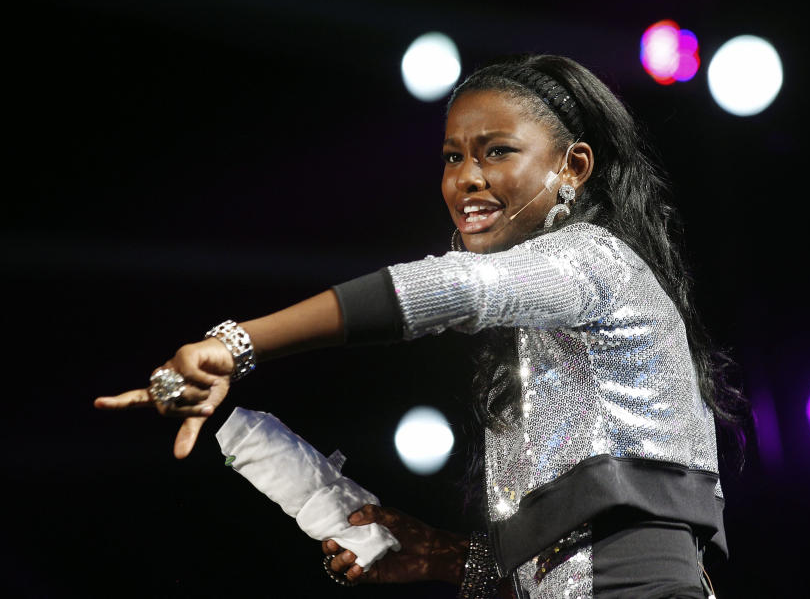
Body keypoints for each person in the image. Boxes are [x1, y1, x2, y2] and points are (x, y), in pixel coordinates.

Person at [95, 54, 745, 598]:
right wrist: (451, 559)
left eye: (497, 152)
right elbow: (572, 555)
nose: (466, 179)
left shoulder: (593, 260)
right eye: (452, 157)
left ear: (573, 168)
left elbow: (448, 288)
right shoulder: (552, 329)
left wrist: (237, 344)